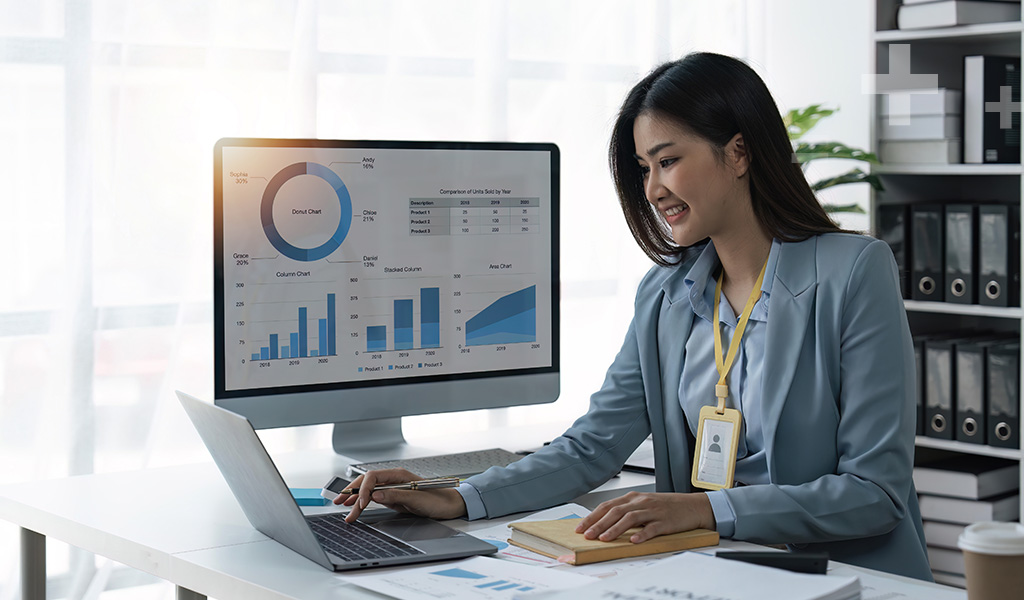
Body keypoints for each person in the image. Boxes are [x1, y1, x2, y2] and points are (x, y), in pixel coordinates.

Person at [338, 52, 931, 581]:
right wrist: (461, 496)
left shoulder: (854, 271)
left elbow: (874, 491)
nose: (652, 189)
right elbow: (592, 446)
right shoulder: (666, 295)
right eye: (644, 169)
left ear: (739, 152)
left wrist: (704, 509)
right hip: (718, 571)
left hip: (842, 577)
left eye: (667, 161)